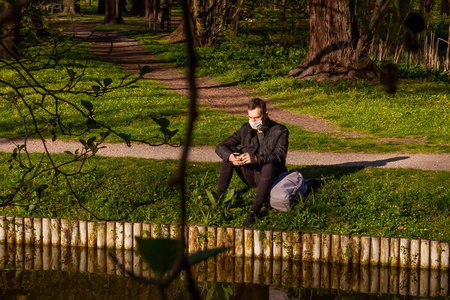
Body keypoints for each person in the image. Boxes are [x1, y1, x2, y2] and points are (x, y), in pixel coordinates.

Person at [215, 98, 289, 226]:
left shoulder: (280, 131)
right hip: (251, 175)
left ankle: (254, 210)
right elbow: (220, 146)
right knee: (229, 154)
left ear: (266, 114)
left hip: (271, 177)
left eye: (256, 117)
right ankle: (218, 198)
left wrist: (255, 158)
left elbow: (280, 156)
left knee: (269, 165)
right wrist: (231, 157)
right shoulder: (245, 129)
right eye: (250, 117)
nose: (253, 121)